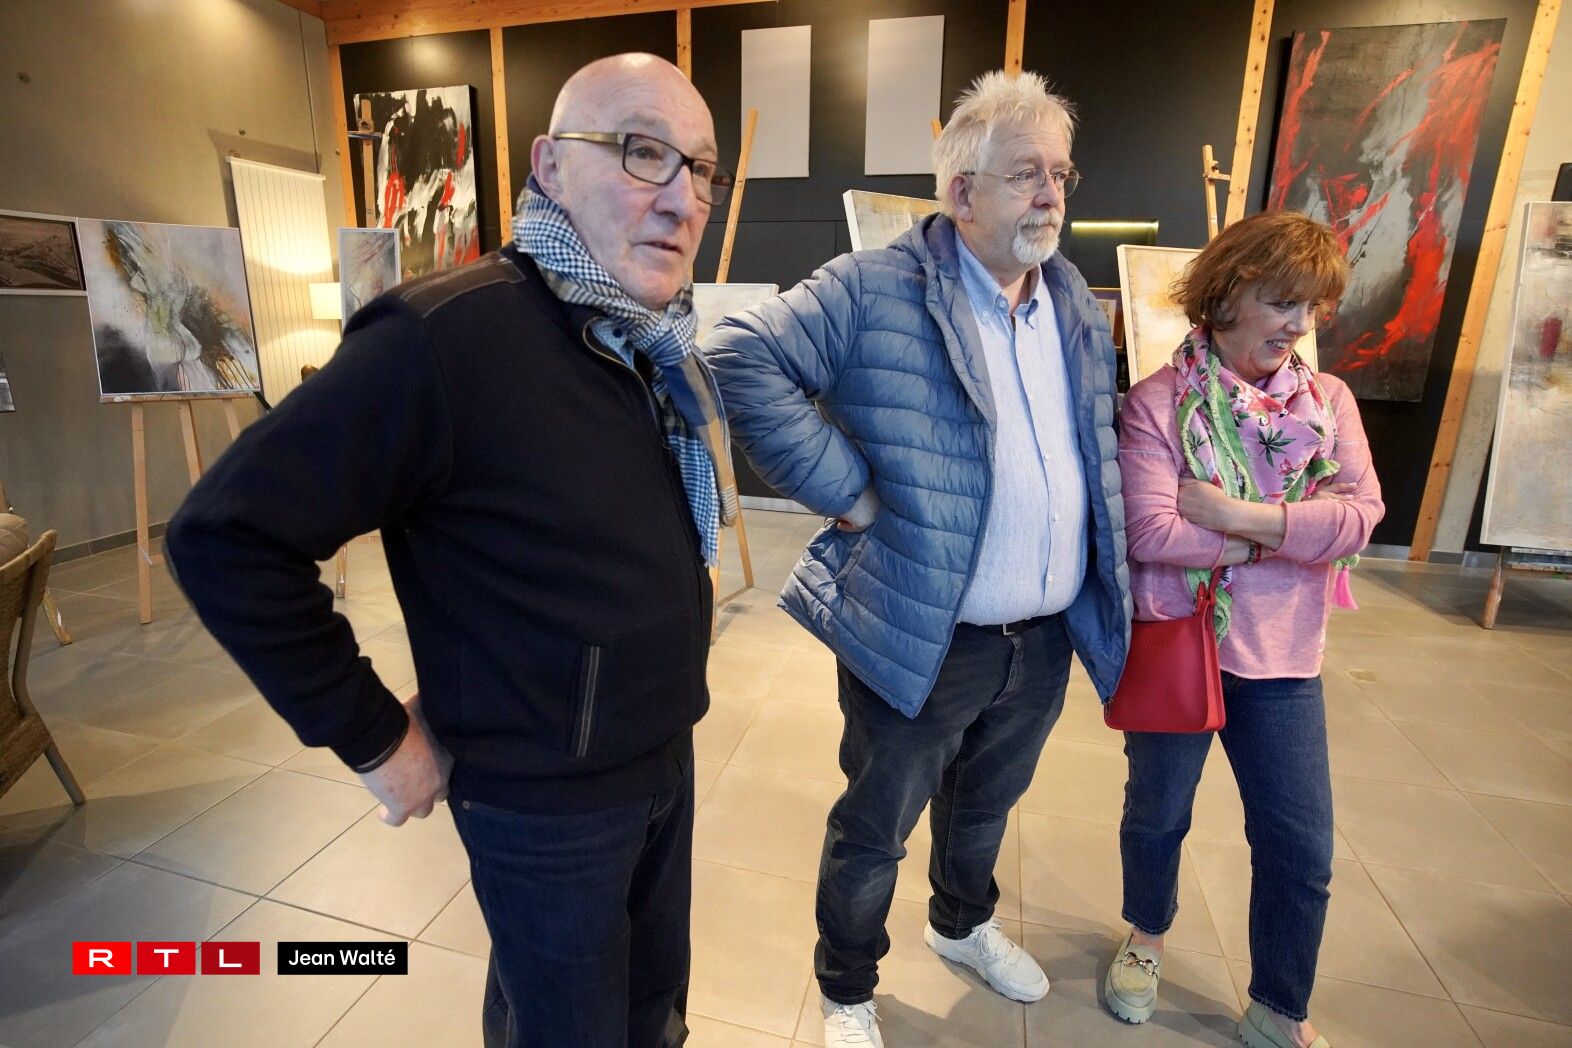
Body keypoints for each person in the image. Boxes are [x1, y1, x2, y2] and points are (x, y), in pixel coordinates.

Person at [166, 53, 738, 1048]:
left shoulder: (648, 339)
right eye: (644, 153)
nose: (683, 198)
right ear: (549, 165)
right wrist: (375, 739)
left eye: (701, 168)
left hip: (660, 756)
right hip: (546, 802)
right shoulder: (444, 337)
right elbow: (225, 536)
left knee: (649, 1017)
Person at [704, 70, 1129, 1048]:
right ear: (961, 191)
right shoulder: (874, 286)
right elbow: (737, 355)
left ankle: (962, 923)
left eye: (1061, 173)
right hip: (920, 632)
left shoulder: (1068, 295)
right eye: (1027, 173)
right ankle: (846, 987)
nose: (1052, 194)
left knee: (986, 806)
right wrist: (847, 491)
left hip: (1042, 636)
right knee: (875, 826)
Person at [1103, 209, 1384, 1048]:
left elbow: (1361, 518)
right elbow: (1153, 531)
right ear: (1225, 295)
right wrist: (1295, 532)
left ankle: (1279, 1006)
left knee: (1300, 844)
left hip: (1285, 660)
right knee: (1157, 815)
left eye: (1312, 306)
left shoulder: (1329, 403)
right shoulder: (1158, 403)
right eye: (1281, 301)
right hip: (1178, 644)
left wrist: (1236, 516)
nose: (1299, 324)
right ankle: (1146, 936)